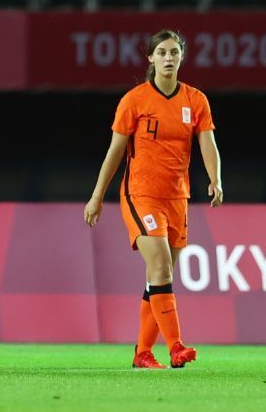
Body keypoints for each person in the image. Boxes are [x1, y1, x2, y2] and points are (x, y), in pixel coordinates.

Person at [84, 29, 223, 370]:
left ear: (182, 57)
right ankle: (176, 346)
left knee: (158, 275)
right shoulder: (134, 101)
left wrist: (215, 179)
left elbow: (208, 144)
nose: (169, 58)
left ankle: (142, 353)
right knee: (160, 266)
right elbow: (115, 152)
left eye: (174, 52)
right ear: (150, 58)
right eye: (162, 52)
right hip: (140, 194)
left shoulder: (196, 101)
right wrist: (97, 196)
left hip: (178, 197)